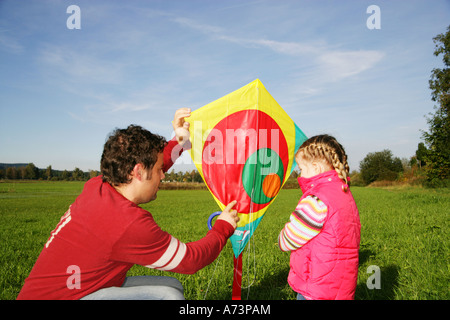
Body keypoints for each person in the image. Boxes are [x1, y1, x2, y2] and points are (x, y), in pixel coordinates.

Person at [17, 108, 239, 300]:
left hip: (73, 290)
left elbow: (155, 165)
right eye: (160, 171)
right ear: (138, 171)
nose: (163, 176)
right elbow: (191, 261)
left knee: (173, 286)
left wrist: (179, 142)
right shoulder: (128, 223)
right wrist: (223, 227)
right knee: (168, 297)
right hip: (69, 296)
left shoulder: (98, 186)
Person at [278, 134, 361, 300]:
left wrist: (282, 236)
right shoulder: (345, 193)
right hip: (340, 287)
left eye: (301, 169)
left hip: (315, 288)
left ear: (315, 168)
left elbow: (288, 240)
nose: (300, 175)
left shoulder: (316, 200)